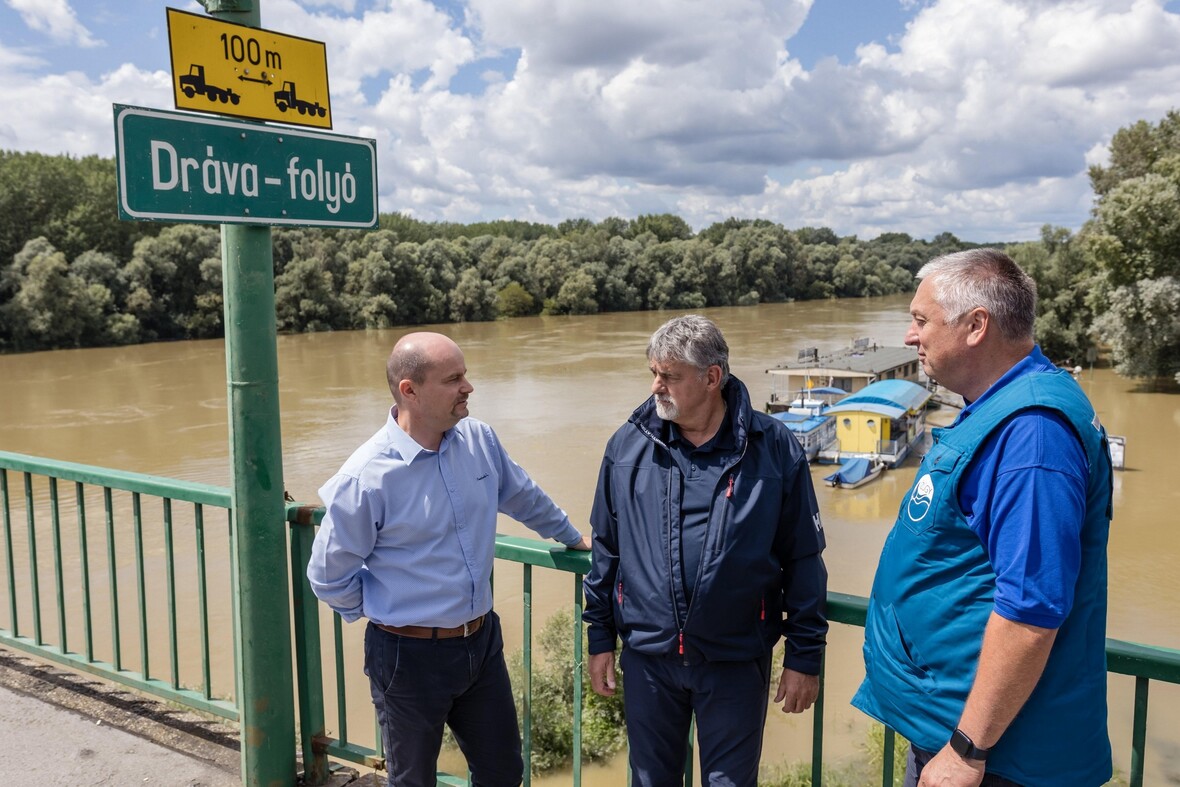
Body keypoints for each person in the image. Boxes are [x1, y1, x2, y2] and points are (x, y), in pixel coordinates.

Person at [852, 249, 1114, 786]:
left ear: (976, 326)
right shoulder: (998, 407)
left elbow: (1031, 609)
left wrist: (967, 751)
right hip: (955, 728)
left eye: (921, 320)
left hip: (996, 757)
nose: (909, 336)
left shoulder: (1033, 433)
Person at [307, 331, 591, 787]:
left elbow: (522, 495)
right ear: (410, 390)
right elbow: (327, 574)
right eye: (453, 378)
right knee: (413, 780)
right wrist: (387, 614)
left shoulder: (478, 439)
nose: (468, 387)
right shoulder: (366, 477)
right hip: (407, 656)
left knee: (502, 772)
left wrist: (572, 536)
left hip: (481, 643)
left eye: (466, 374)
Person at [583, 314, 828, 786]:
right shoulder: (627, 445)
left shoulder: (772, 447)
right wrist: (599, 640)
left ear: (712, 378)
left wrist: (805, 657)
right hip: (648, 660)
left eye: (669, 376)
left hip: (735, 662)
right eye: (654, 373)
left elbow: (803, 558)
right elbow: (605, 551)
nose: (656, 386)